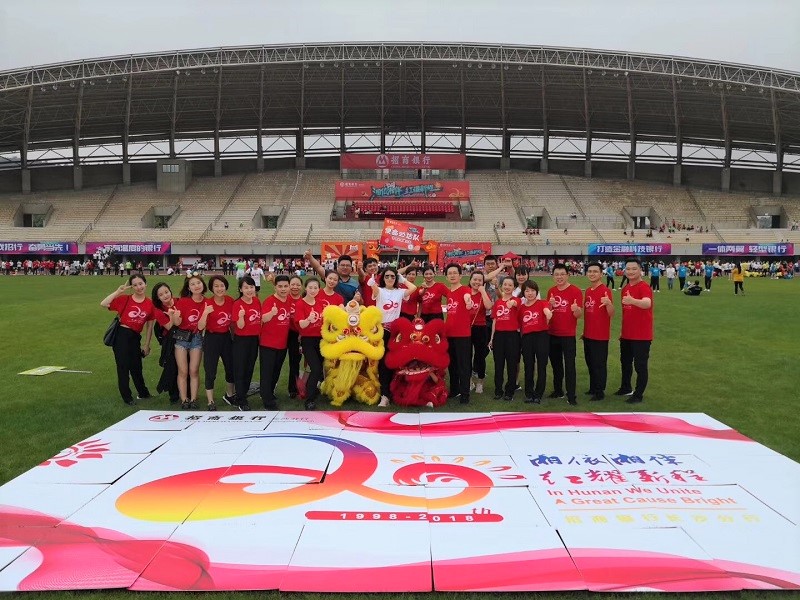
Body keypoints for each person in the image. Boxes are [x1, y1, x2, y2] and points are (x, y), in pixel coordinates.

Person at [100, 274, 171, 406]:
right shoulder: (125, 299)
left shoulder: (150, 303)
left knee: (137, 366)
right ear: (132, 287)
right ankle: (127, 397)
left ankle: (143, 393)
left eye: (141, 284)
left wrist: (147, 344)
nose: (139, 287)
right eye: (135, 285)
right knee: (123, 367)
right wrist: (118, 292)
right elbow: (104, 303)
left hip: (135, 337)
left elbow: (149, 326)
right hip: (121, 335)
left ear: (145, 284)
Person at [367, 267, 417, 407]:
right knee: (384, 363)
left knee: (396, 362)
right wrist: (372, 283)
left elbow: (413, 288)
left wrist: (403, 279)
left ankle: (395, 392)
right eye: (387, 276)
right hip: (382, 331)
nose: (390, 278)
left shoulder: (400, 292)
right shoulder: (380, 290)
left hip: (396, 332)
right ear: (383, 278)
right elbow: (374, 289)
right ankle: (385, 395)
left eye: (393, 276)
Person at [616, 258, 654, 404]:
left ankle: (638, 394)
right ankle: (626, 387)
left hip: (641, 335)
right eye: (628, 269)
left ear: (640, 270)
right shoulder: (625, 288)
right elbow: (626, 313)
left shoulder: (644, 287)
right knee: (625, 363)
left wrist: (633, 301)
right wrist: (622, 332)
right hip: (627, 334)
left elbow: (647, 303)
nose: (630, 271)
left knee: (640, 366)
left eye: (634, 269)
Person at [546, 263, 583, 405]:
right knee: (556, 365)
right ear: (553, 276)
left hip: (568, 335)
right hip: (552, 333)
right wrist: (550, 305)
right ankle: (558, 390)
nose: (559, 277)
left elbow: (578, 315)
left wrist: (575, 309)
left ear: (568, 275)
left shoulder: (575, 291)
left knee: (569, 366)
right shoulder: (551, 291)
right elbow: (548, 312)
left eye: (562, 274)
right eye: (556, 274)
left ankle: (571, 395)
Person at [198, 275, 236, 410]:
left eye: (222, 286)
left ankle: (229, 395)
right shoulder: (207, 303)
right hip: (211, 338)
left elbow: (232, 323)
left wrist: (234, 338)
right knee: (210, 370)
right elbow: (200, 326)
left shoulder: (230, 301)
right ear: (211, 288)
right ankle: (210, 401)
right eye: (216, 286)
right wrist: (205, 313)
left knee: (231, 368)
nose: (220, 288)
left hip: (226, 338)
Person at [170, 275, 208, 410]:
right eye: (192, 284)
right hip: (182, 338)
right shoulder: (183, 301)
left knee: (194, 370)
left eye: (198, 283)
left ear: (203, 285)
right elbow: (177, 323)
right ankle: (184, 399)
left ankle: (193, 399)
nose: (196, 286)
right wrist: (175, 317)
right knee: (183, 371)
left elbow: (204, 325)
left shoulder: (207, 303)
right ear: (189, 288)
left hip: (197, 338)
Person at [259, 275, 293, 410]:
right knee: (267, 372)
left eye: (285, 286)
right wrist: (272, 313)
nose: (283, 289)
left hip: (282, 344)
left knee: (276, 371)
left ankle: (269, 393)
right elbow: (263, 318)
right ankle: (267, 400)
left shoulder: (289, 300)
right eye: (280, 286)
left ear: (289, 287)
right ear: (275, 287)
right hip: (268, 344)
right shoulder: (269, 301)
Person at [444, 263, 475, 404]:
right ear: (446, 277)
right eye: (449, 273)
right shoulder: (449, 292)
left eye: (454, 273)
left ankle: (465, 393)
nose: (452, 275)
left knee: (464, 365)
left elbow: (468, 298)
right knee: (452, 365)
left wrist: (469, 302)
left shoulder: (465, 290)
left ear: (460, 275)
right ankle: (454, 389)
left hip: (463, 335)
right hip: (449, 334)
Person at [583, 262, 614, 402]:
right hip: (588, 334)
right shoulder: (588, 291)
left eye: (595, 271)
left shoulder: (605, 291)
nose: (592, 274)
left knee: (599, 364)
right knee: (590, 362)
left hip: (600, 335)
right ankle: (593, 387)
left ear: (601, 274)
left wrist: (609, 303)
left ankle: (600, 391)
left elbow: (611, 313)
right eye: (590, 271)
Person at [295, 278, 327, 410]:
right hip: (307, 340)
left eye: (315, 288)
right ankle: (309, 399)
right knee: (315, 368)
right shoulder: (300, 304)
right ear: (305, 288)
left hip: (321, 340)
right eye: (310, 287)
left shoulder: (320, 303)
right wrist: (308, 319)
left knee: (320, 368)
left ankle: (313, 390)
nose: (313, 290)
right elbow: (301, 325)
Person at [488, 276, 521, 401]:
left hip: (512, 336)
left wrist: (512, 303)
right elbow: (495, 321)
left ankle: (509, 391)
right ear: (501, 286)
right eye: (505, 284)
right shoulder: (497, 303)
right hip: (499, 336)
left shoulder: (517, 300)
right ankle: (498, 390)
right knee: (499, 364)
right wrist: (492, 338)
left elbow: (516, 305)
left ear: (514, 287)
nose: (507, 287)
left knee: (512, 365)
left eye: (510, 285)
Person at [519, 280, 551, 404]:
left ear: (537, 292)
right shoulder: (522, 308)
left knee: (541, 365)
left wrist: (548, 313)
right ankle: (529, 393)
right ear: (523, 293)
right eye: (527, 291)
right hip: (527, 338)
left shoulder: (542, 303)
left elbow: (547, 310)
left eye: (532, 290)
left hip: (541, 336)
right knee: (528, 366)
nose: (530, 293)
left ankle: (538, 394)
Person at [232, 275, 261, 411]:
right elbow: (240, 326)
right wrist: (241, 316)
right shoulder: (237, 304)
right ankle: (241, 399)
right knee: (240, 369)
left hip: (254, 340)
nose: (249, 290)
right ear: (240, 289)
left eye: (251, 287)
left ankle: (243, 394)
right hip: (241, 340)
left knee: (249, 368)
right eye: (246, 287)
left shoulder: (256, 301)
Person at [150, 282, 180, 405]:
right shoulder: (158, 310)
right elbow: (169, 327)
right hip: (170, 341)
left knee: (186, 367)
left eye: (166, 292)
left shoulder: (180, 302)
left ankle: (187, 393)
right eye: (161, 295)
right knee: (172, 366)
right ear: (158, 298)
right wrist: (172, 316)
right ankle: (174, 394)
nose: (165, 296)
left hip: (185, 338)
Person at [285, 275, 304, 399]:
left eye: (298, 285)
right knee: (277, 361)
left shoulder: (304, 300)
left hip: (298, 334)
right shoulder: (284, 298)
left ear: (301, 287)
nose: (295, 287)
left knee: (295, 362)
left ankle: (293, 388)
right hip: (283, 333)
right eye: (292, 284)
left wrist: (302, 333)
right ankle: (271, 387)